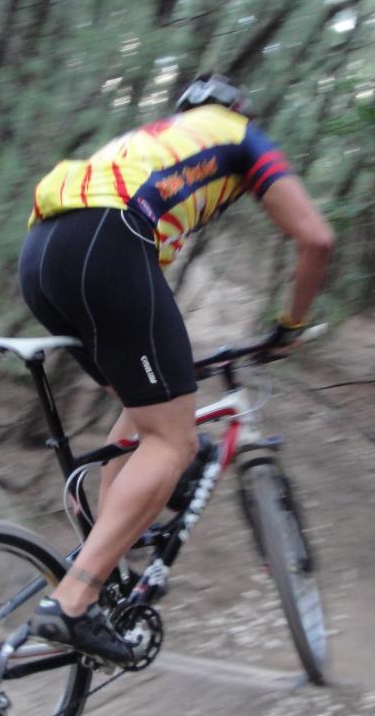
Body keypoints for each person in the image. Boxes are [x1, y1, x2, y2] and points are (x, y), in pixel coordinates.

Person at [19, 72, 334, 663]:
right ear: (238, 110)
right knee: (172, 437)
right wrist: (290, 327)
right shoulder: (241, 136)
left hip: (41, 252)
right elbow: (316, 240)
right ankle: (73, 602)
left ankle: (101, 568)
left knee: (147, 419)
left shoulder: (156, 140)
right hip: (105, 241)